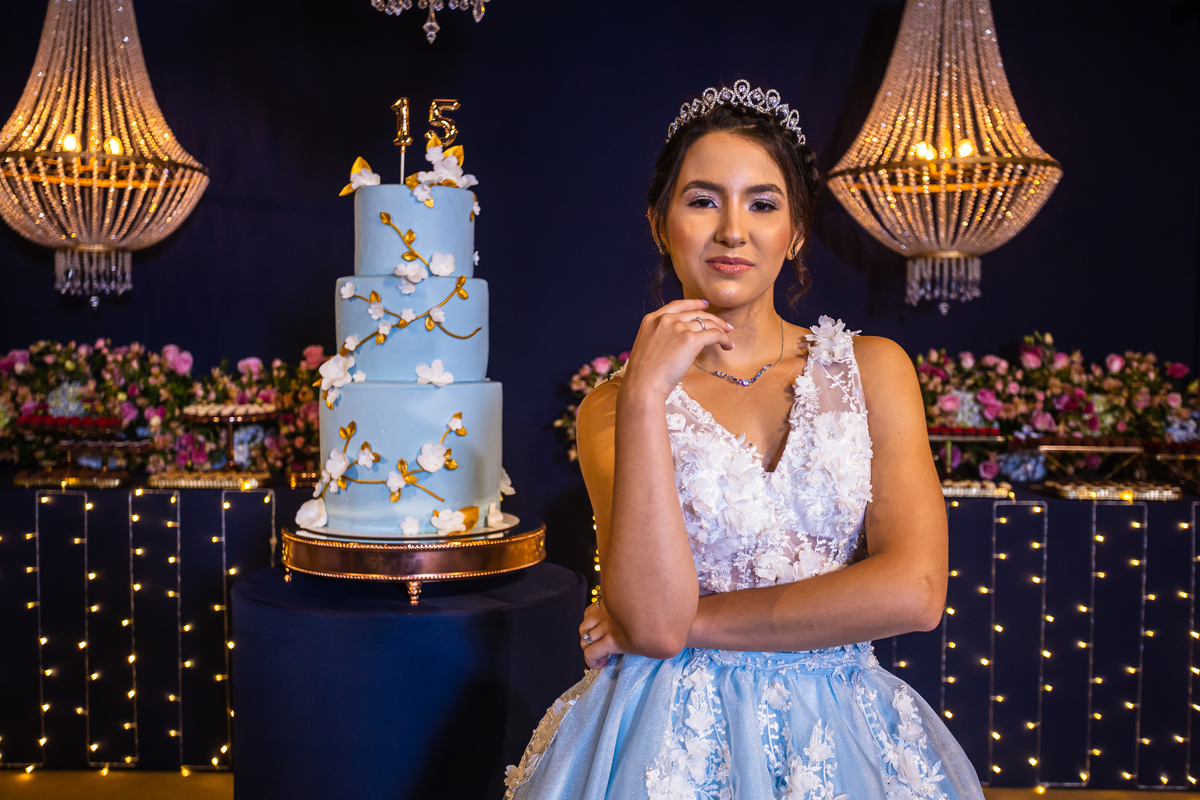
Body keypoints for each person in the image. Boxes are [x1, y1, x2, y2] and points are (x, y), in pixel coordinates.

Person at [504, 81, 984, 800]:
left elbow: (914, 592)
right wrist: (643, 395)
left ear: (794, 234)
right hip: (665, 740)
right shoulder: (613, 408)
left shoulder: (875, 369)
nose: (733, 230)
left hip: (842, 733)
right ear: (661, 224)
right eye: (702, 200)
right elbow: (655, 630)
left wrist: (682, 620)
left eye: (762, 203)